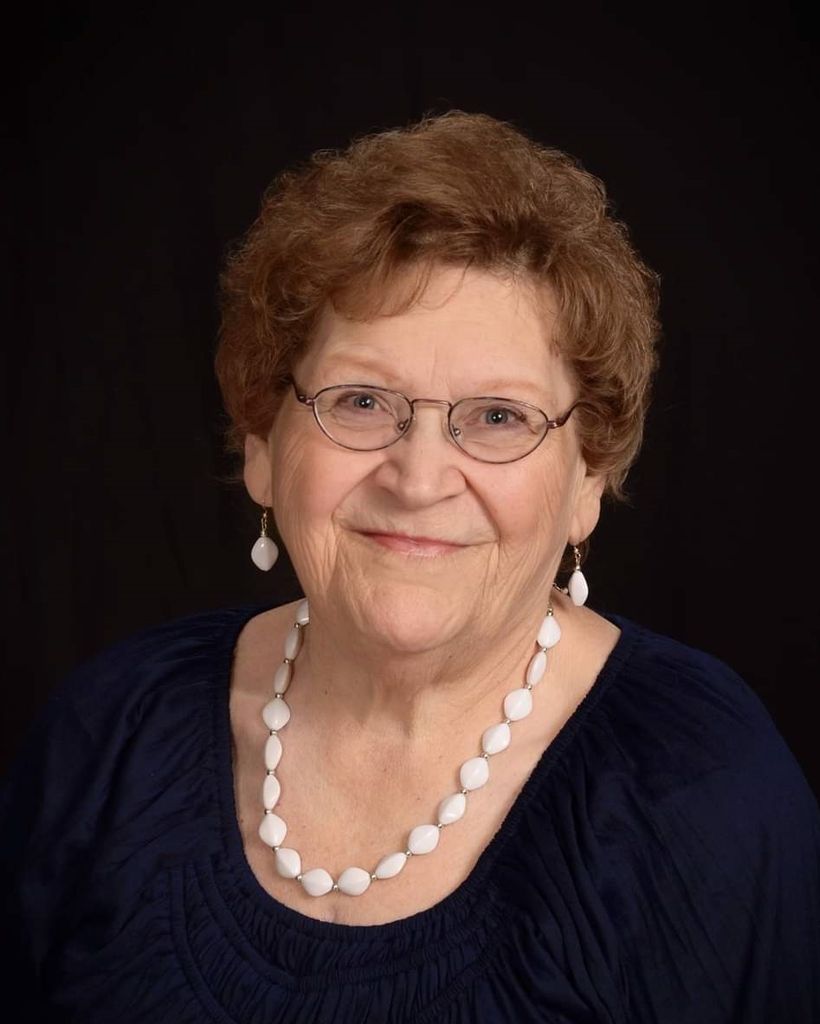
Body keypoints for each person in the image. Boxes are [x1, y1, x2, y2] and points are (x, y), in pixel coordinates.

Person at [2, 111, 818, 1024]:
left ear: (587, 480)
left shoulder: (700, 789)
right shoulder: (110, 737)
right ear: (263, 444)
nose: (420, 478)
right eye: (360, 401)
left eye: (499, 416)